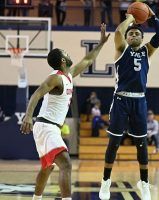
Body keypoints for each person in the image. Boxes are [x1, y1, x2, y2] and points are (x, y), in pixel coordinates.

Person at [20, 24, 110, 200]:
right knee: (66, 164)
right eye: (65, 52)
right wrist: (28, 116)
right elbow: (36, 94)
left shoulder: (69, 75)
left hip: (49, 127)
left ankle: (35, 199)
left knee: (48, 167)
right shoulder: (56, 78)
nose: (68, 53)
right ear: (62, 60)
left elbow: (88, 60)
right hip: (46, 125)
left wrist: (100, 44)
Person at [99, 6, 159, 200]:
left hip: (139, 101)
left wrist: (151, 16)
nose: (134, 34)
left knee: (141, 144)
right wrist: (129, 18)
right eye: (132, 33)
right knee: (114, 143)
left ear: (141, 38)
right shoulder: (121, 49)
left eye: (137, 33)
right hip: (120, 100)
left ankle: (144, 183)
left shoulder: (147, 51)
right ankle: (105, 181)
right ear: (128, 38)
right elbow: (118, 32)